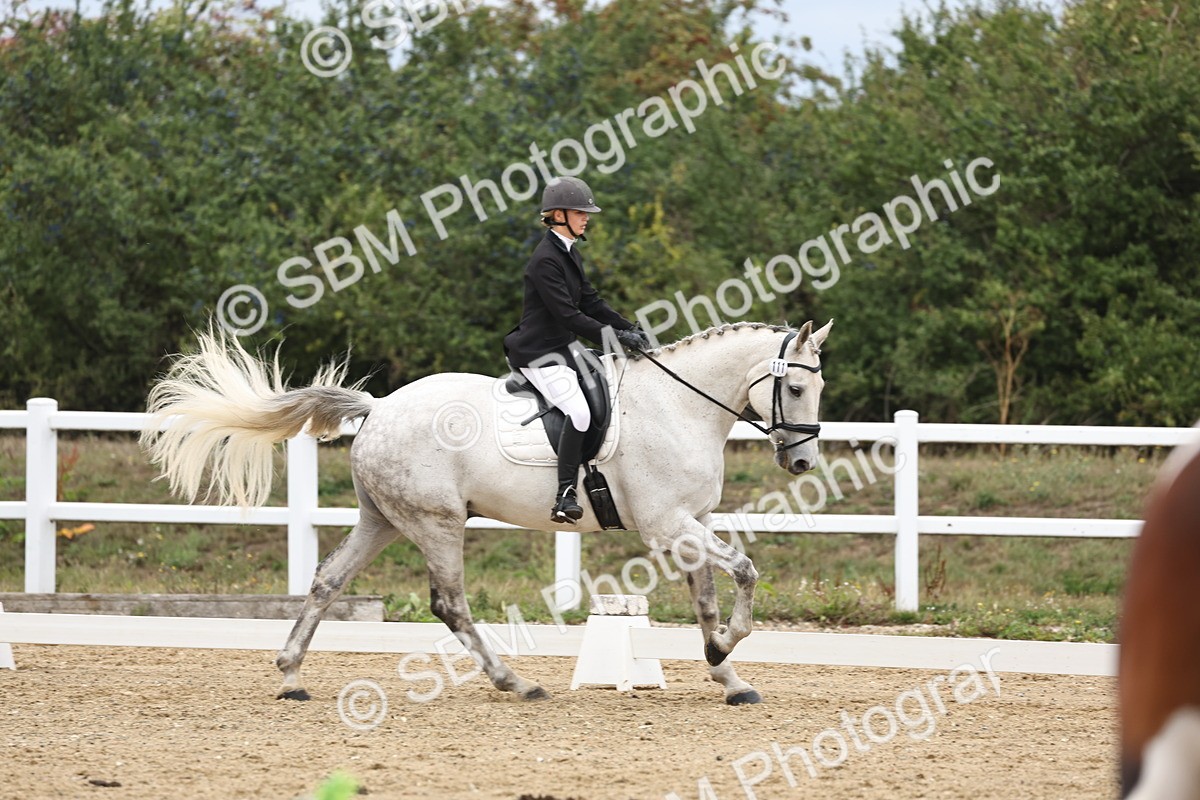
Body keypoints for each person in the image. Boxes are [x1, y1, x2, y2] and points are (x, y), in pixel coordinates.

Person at [503, 176, 650, 524]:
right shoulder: (545, 260)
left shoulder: (568, 253)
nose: (586, 218)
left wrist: (629, 327)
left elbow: (591, 302)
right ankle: (565, 494)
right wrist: (615, 337)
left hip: (564, 347)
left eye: (586, 213)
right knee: (579, 412)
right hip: (538, 353)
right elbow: (568, 315)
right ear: (558, 215)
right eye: (580, 212)